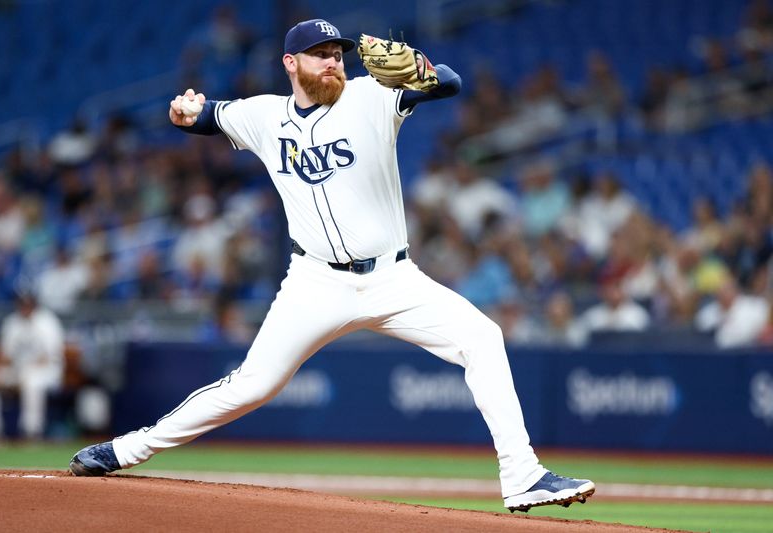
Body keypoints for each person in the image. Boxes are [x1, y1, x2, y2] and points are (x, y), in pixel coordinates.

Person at [69, 18, 594, 513]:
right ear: (290, 63)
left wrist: (423, 70)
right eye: (320, 55)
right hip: (315, 282)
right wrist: (184, 113)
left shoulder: (373, 95)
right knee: (254, 384)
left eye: (338, 54)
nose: (333, 62)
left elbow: (450, 84)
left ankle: (522, 476)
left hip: (393, 278)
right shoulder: (263, 115)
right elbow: (205, 116)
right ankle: (127, 450)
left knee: (483, 338)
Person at [0, 287, 65, 439]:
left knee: (32, 381)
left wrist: (23, 370)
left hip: (48, 371)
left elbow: (49, 357)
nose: (25, 306)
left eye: (28, 302)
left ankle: (31, 432)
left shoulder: (47, 321)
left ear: (34, 303)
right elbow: (5, 355)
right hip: (19, 370)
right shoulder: (12, 322)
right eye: (22, 303)